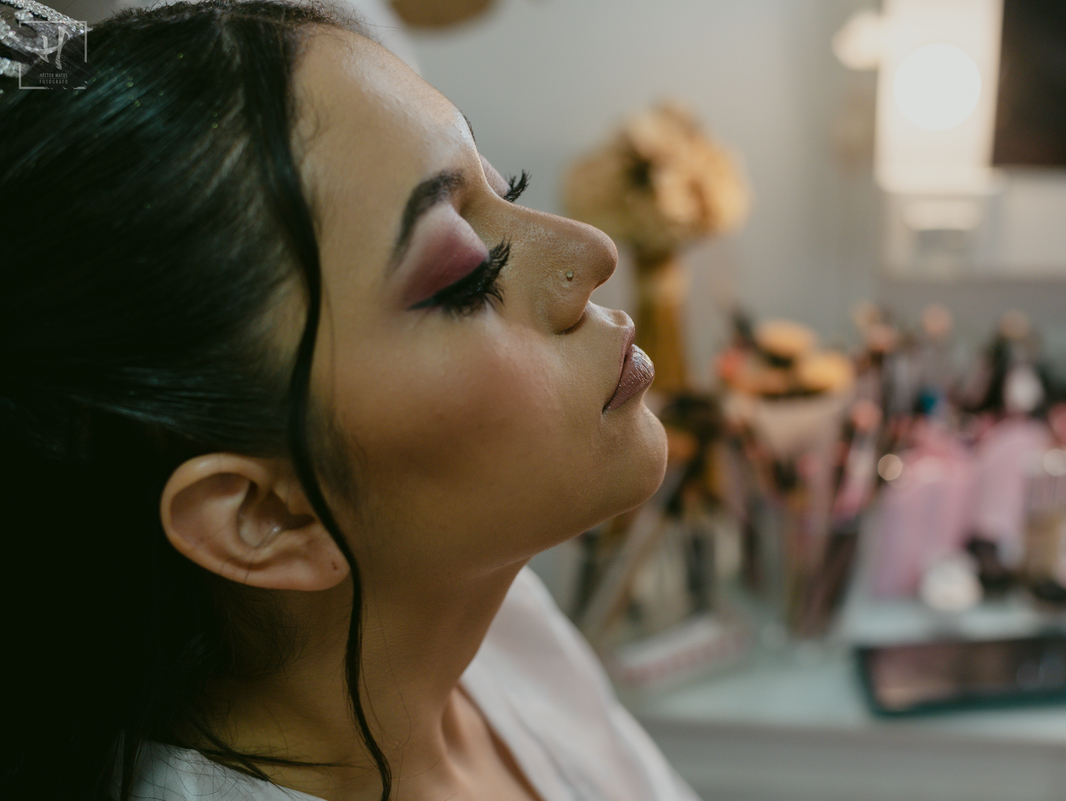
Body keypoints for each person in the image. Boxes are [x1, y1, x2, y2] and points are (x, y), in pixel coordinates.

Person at [0, 1, 690, 799]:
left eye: (510, 189)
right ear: (269, 512)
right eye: (469, 277)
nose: (592, 249)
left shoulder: (477, 608)